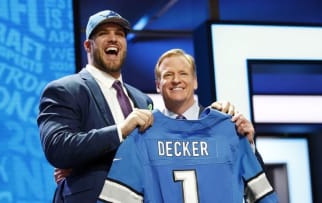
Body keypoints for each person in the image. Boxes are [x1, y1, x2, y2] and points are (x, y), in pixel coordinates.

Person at [37, 10, 256, 203]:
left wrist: (236, 134)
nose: (113, 38)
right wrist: (120, 131)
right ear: (88, 45)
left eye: (119, 34)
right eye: (103, 33)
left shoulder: (142, 100)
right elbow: (58, 147)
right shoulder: (65, 89)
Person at [97, 48, 278, 202]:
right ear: (158, 85)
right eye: (168, 75)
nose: (176, 80)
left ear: (195, 81)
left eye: (183, 73)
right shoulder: (142, 133)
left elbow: (259, 193)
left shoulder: (228, 126)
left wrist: (248, 143)